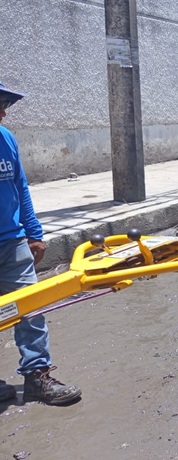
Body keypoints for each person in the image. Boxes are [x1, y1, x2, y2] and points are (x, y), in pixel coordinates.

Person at [0, 81, 82, 405]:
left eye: (4, 104)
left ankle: (37, 377)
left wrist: (34, 232)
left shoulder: (6, 140)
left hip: (12, 242)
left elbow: (20, 186)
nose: (4, 112)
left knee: (31, 308)